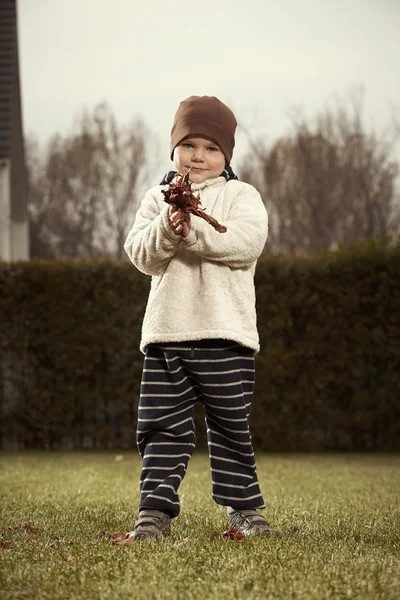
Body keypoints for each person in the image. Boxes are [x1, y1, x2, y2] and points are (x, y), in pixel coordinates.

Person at [124, 95, 281, 540]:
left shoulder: (241, 195)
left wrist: (191, 234)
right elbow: (141, 255)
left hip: (225, 334)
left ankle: (245, 510)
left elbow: (245, 244)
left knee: (231, 428)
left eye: (212, 148)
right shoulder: (156, 199)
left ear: (226, 155)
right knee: (161, 430)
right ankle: (153, 513)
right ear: (173, 148)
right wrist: (168, 227)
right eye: (189, 144)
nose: (199, 156)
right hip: (167, 334)